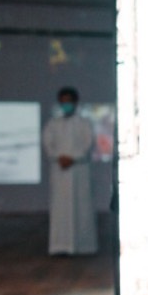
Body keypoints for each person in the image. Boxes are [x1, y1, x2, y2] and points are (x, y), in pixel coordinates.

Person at [43, 86, 97, 255]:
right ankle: (60, 245)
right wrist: (59, 157)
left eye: (69, 101)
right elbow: (48, 144)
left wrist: (73, 158)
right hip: (60, 171)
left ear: (75, 102)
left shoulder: (84, 123)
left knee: (81, 209)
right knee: (60, 210)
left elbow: (88, 144)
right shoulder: (53, 124)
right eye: (63, 101)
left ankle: (83, 246)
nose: (66, 104)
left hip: (79, 172)